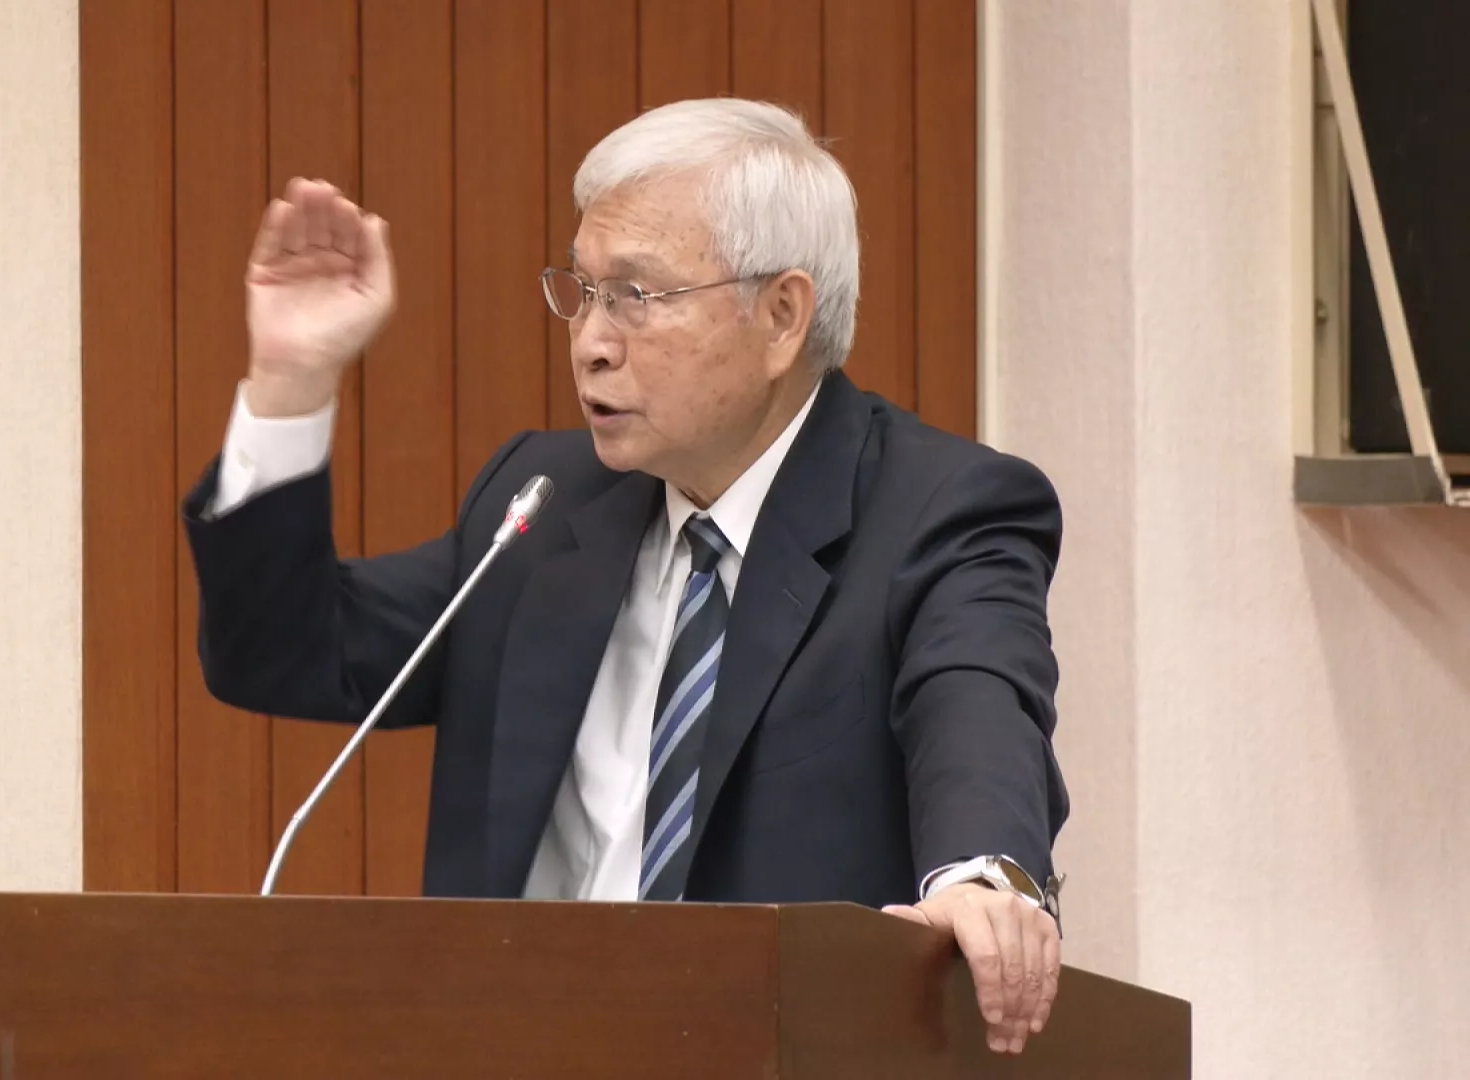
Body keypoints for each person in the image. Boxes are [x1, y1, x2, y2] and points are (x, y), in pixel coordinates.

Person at [182, 97, 1070, 1055]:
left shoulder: (940, 512)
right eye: (584, 291)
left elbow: (978, 706)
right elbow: (281, 652)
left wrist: (982, 880)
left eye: (637, 296)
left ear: (781, 316)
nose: (591, 343)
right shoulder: (543, 509)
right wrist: (290, 381)